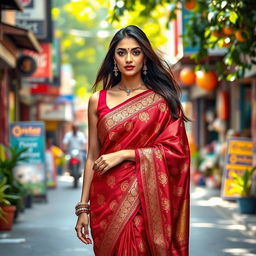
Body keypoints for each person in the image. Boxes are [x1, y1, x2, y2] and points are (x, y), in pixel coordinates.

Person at [75, 25, 190, 256]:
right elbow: (91, 156)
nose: (129, 59)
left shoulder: (161, 100)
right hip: (106, 198)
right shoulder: (97, 100)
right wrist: (83, 208)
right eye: (121, 52)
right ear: (113, 58)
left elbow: (177, 153)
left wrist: (126, 154)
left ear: (144, 57)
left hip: (146, 200)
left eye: (135, 52)